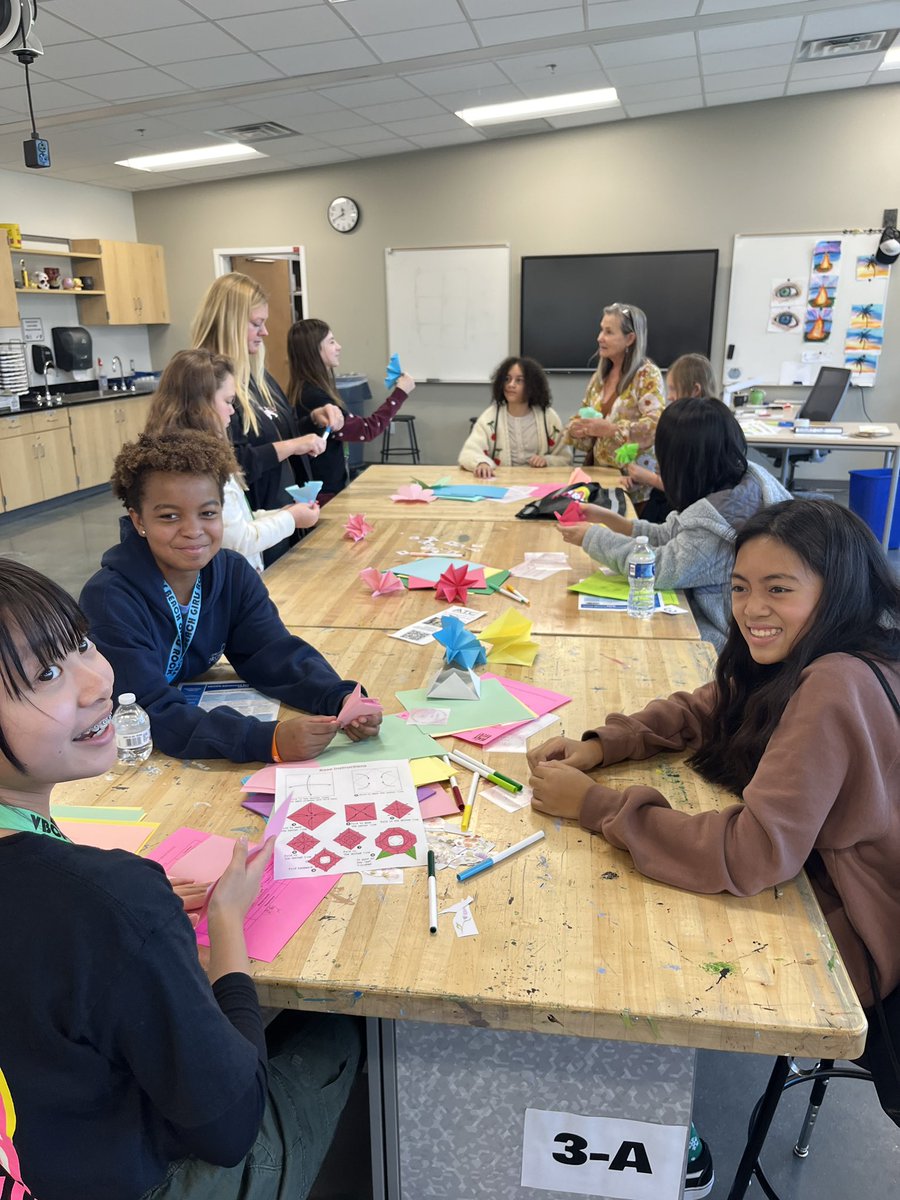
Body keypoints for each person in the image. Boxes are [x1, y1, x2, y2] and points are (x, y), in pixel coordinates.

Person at [530, 499, 900, 1197]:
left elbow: (754, 852)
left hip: (859, 934)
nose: (751, 609)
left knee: (630, 955)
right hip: (823, 886)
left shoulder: (838, 680)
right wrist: (602, 744)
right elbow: (711, 704)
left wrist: (597, 808)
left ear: (836, 589)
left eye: (779, 589)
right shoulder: (818, 648)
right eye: (739, 587)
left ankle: (661, 1132)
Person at [0, 558, 361, 1200]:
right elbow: (228, 1130)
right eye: (46, 674)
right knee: (342, 1030)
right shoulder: (109, 902)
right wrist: (225, 926)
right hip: (127, 1180)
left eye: (81, 642)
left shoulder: (99, 900)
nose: (98, 681)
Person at [79, 431, 381, 763]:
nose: (193, 530)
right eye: (169, 516)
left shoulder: (233, 574)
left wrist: (337, 697)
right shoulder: (109, 599)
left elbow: (271, 652)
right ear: (138, 520)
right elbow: (148, 708)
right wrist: (267, 741)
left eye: (208, 513)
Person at [559, 397, 791, 648]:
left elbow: (658, 568)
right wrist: (608, 518)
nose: (659, 466)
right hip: (726, 623)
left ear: (683, 465)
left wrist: (591, 537)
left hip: (729, 643)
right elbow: (672, 535)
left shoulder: (718, 527)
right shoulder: (734, 486)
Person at [191, 274, 332, 561]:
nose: (265, 332)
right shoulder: (211, 382)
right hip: (252, 528)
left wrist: (312, 422)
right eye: (256, 324)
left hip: (276, 518)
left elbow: (276, 431)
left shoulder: (257, 375)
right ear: (231, 323)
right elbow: (236, 461)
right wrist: (294, 446)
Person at [143, 349, 320, 571]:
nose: (231, 412)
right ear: (201, 406)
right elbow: (238, 541)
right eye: (228, 401)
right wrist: (291, 519)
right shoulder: (199, 471)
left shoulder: (203, 457)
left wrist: (282, 513)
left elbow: (237, 521)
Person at [287, 319, 415, 502]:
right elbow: (367, 430)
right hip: (322, 496)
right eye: (331, 342)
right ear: (314, 349)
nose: (338, 346)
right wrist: (400, 394)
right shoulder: (314, 397)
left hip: (324, 489)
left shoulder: (309, 390)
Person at [564, 303, 665, 506]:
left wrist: (611, 430)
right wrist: (577, 429)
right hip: (597, 478)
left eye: (609, 332)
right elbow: (583, 419)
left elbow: (656, 426)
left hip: (632, 485)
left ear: (630, 338)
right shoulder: (599, 377)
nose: (600, 337)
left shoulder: (647, 375)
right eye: (601, 329)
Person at [619, 352, 719, 522]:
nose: (669, 396)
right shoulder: (686, 426)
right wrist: (642, 478)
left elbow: (688, 490)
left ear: (695, 390)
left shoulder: (697, 433)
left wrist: (648, 478)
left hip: (682, 513)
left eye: (673, 388)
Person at [458, 355, 572, 478]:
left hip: (540, 484)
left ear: (532, 385)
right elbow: (468, 453)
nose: (511, 385)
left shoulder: (548, 417)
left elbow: (565, 459)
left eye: (519, 380)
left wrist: (547, 461)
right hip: (501, 484)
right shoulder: (490, 417)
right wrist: (482, 463)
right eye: (507, 379)